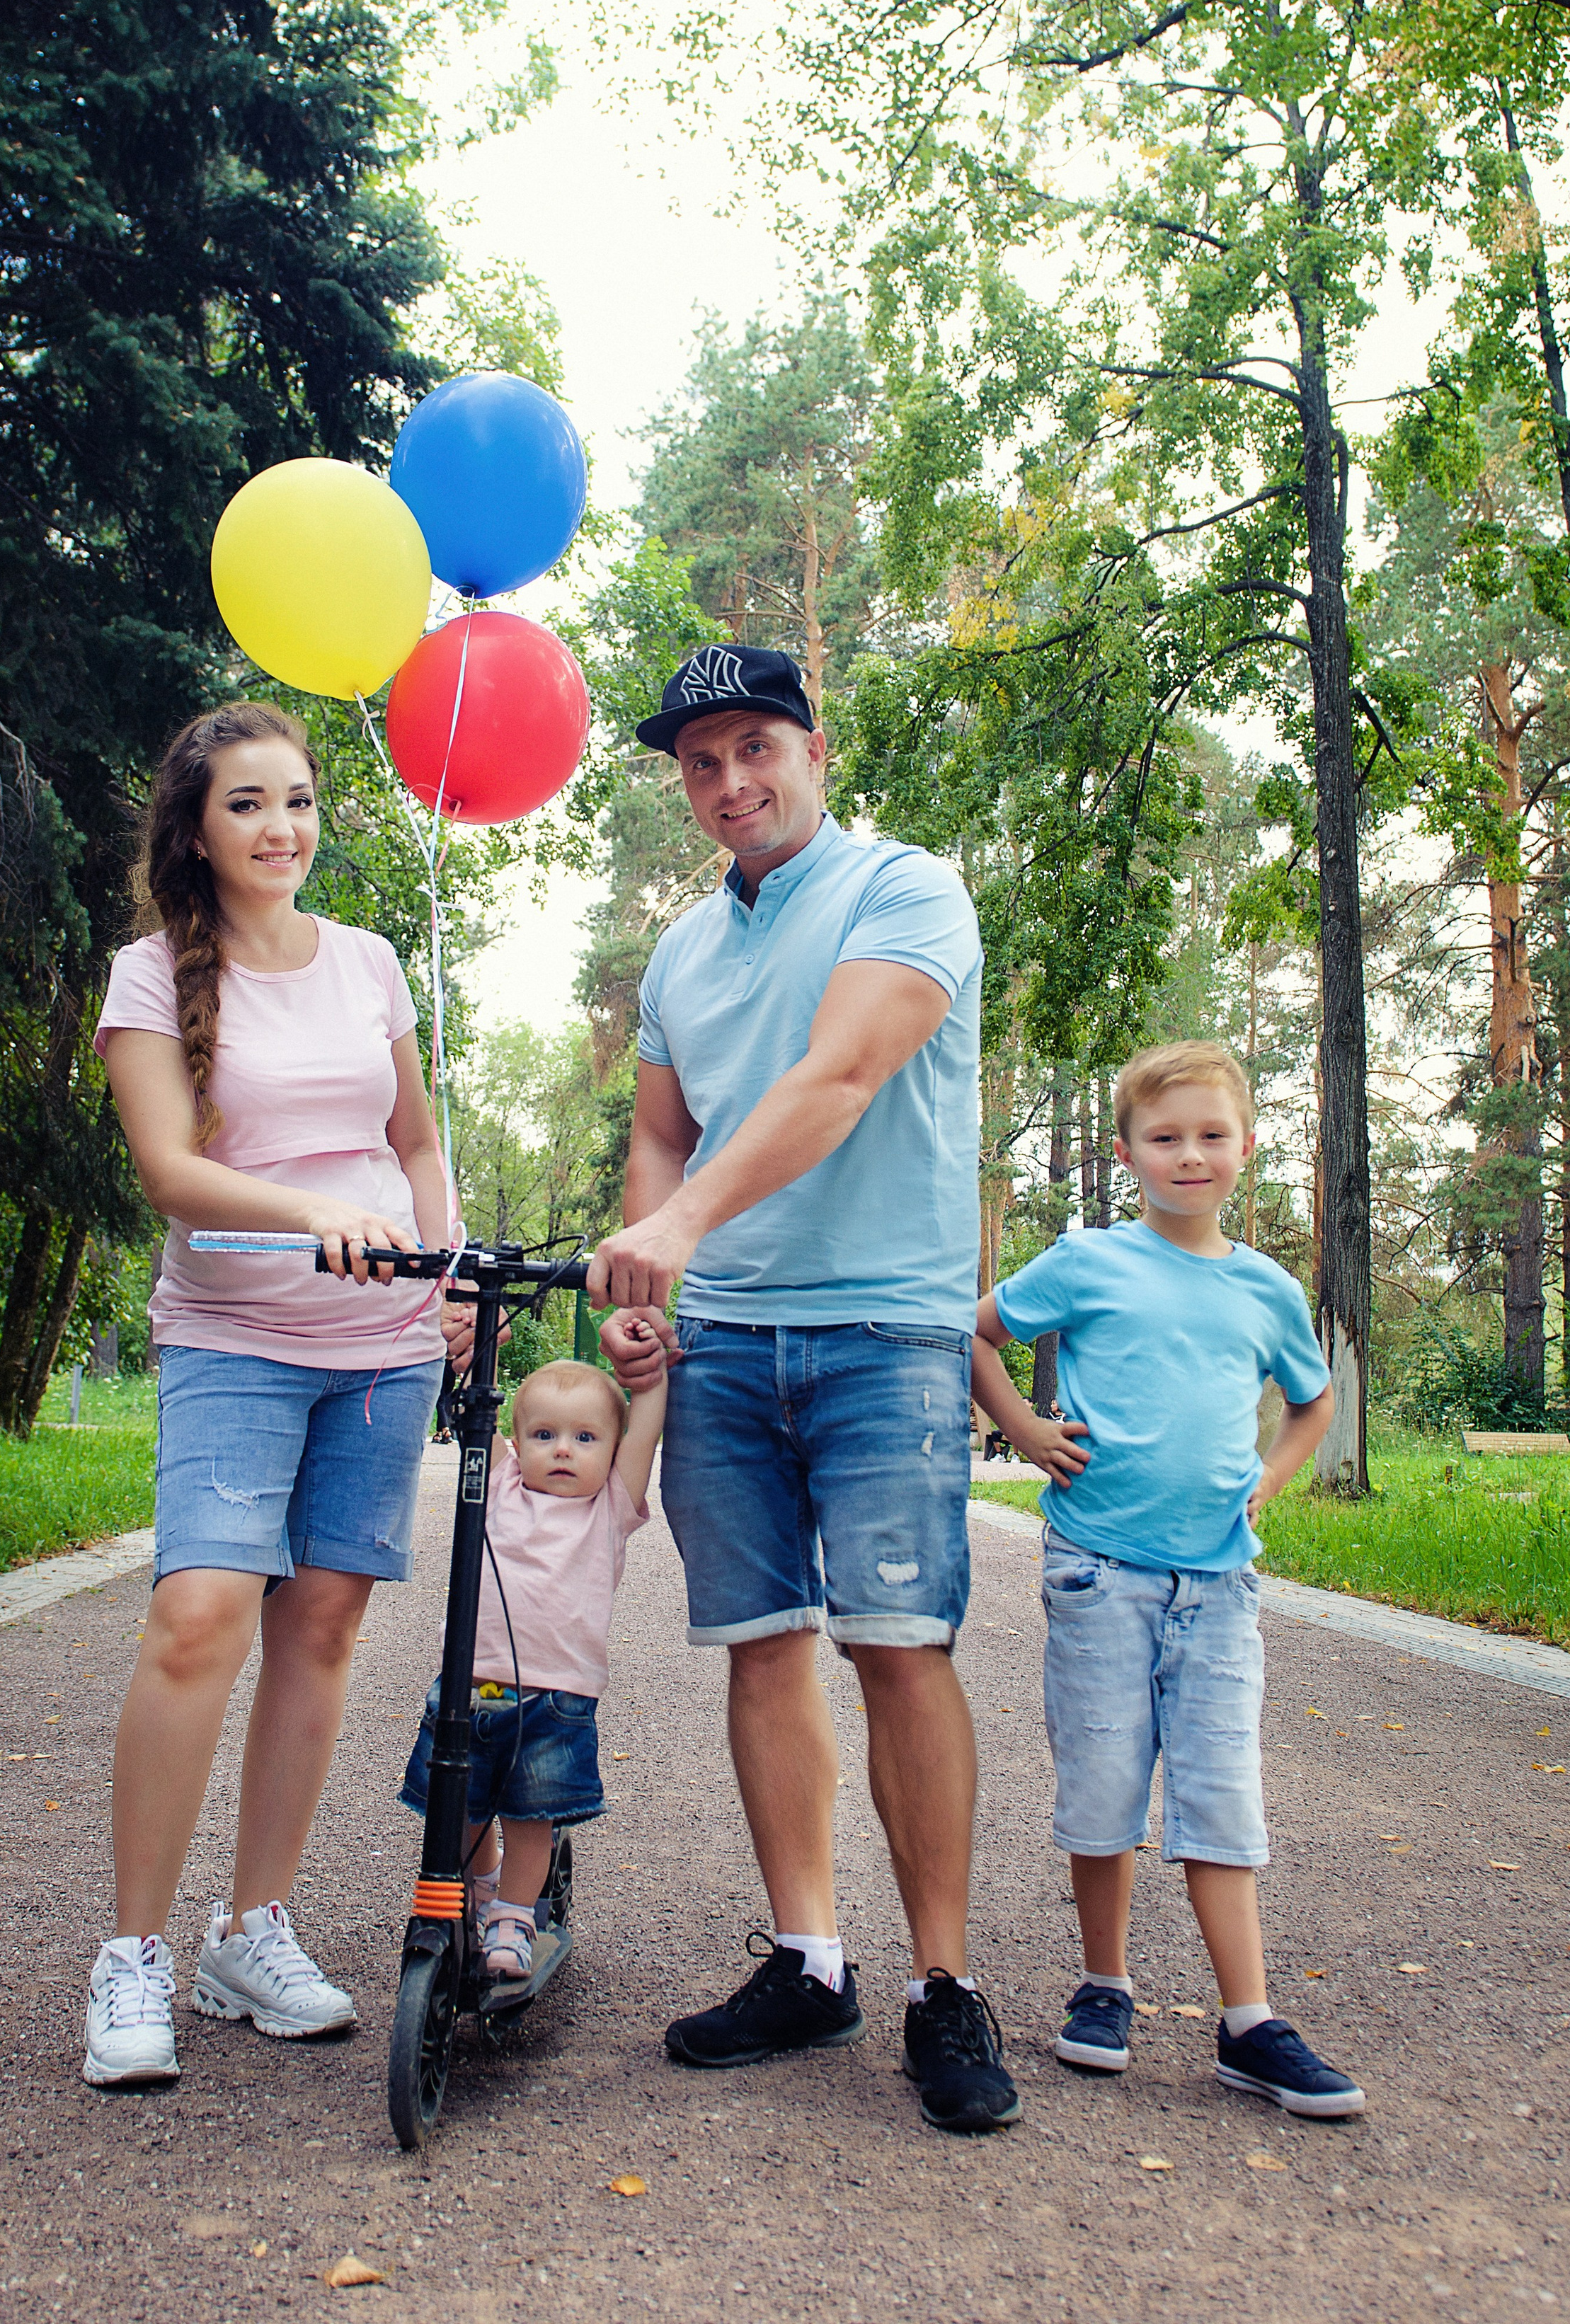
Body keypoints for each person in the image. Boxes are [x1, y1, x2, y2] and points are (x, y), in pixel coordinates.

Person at [587, 643, 1019, 2134]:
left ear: (813, 747)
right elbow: (660, 1132)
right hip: (723, 1342)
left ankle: (942, 1985)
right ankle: (810, 1956)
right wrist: (655, 1283)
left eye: (753, 747)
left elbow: (838, 1075)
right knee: (759, 1646)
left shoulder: (905, 887)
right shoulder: (679, 952)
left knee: (897, 1646)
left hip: (881, 1332)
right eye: (699, 762)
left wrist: (680, 1224)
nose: (728, 783)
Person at [84, 701, 452, 2088]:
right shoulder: (147, 976)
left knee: (324, 1625)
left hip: (386, 1342)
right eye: (246, 802)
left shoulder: (366, 961)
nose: (279, 825)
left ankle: (253, 1928)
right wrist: (313, 1214)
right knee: (200, 1613)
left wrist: (451, 1266)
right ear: (194, 826)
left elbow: (414, 1139)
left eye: (296, 798)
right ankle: (134, 1952)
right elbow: (172, 1173)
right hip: (236, 1338)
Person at [969, 1040, 1366, 2119]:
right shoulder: (1091, 1261)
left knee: (1220, 1791)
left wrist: (1268, 1482)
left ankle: (1251, 2022)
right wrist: (1023, 1427)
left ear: (1247, 1146)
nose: (1190, 1156)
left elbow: (1311, 1401)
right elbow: (980, 1333)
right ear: (1128, 1151)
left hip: (1220, 1585)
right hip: (1098, 1569)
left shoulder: (1268, 1289)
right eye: (1165, 1137)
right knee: (1103, 1785)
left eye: (1211, 1135)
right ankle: (1106, 1986)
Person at [398, 1347, 664, 1975]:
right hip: (467, 1686)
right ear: (517, 1445)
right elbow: (474, 1418)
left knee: (531, 1821)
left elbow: (645, 1428)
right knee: (456, 1812)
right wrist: (470, 1341)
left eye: (585, 1437)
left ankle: (515, 1915)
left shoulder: (610, 1510)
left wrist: (651, 1369)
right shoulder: (496, 1490)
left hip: (555, 1699)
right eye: (544, 1435)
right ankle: (482, 1883)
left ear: (613, 1449)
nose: (564, 1449)